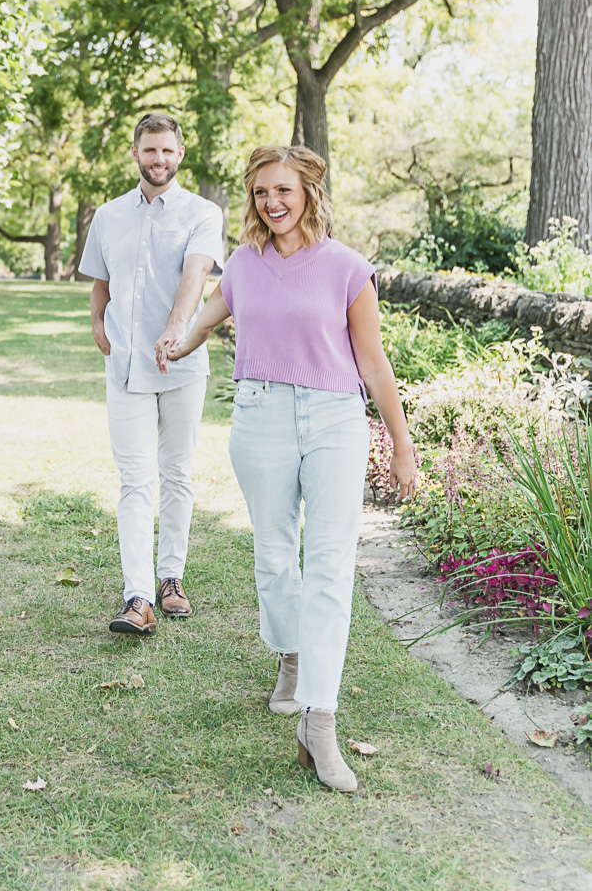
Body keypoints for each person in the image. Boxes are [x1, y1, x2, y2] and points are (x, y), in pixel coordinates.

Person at [156, 144, 417, 792]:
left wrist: (403, 443)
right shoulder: (243, 265)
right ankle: (293, 656)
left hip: (333, 421)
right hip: (261, 416)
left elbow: (374, 363)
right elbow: (207, 320)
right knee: (275, 559)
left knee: (329, 568)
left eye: (284, 191)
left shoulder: (349, 270)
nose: (272, 202)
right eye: (262, 192)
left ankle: (319, 722)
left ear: (310, 193)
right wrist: (176, 341)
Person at [80, 112, 225, 637]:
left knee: (177, 474)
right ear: (136, 153)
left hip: (183, 365)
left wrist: (175, 331)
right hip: (124, 369)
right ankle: (137, 595)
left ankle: (171, 579)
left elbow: (197, 273)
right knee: (135, 481)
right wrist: (97, 321)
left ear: (179, 155)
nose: (158, 159)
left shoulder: (203, 212)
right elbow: (101, 280)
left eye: (167, 151)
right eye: (149, 150)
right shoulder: (108, 215)